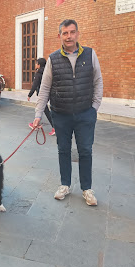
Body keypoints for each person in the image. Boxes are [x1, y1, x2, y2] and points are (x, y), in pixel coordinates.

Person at [32, 19, 103, 206]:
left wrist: (94, 108)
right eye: (65, 33)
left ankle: (87, 189)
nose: (69, 36)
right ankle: (65, 185)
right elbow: (45, 88)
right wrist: (38, 114)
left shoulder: (90, 54)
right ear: (60, 36)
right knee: (63, 150)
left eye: (72, 32)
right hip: (61, 115)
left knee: (85, 151)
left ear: (77, 34)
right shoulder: (53, 59)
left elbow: (98, 82)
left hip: (85, 114)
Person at [27, 58, 55, 136]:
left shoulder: (38, 73)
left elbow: (34, 85)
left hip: (42, 94)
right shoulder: (48, 72)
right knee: (43, 109)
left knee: (43, 109)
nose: (35, 65)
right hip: (50, 93)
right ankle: (36, 123)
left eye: (36, 63)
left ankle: (54, 127)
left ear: (39, 65)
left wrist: (29, 95)